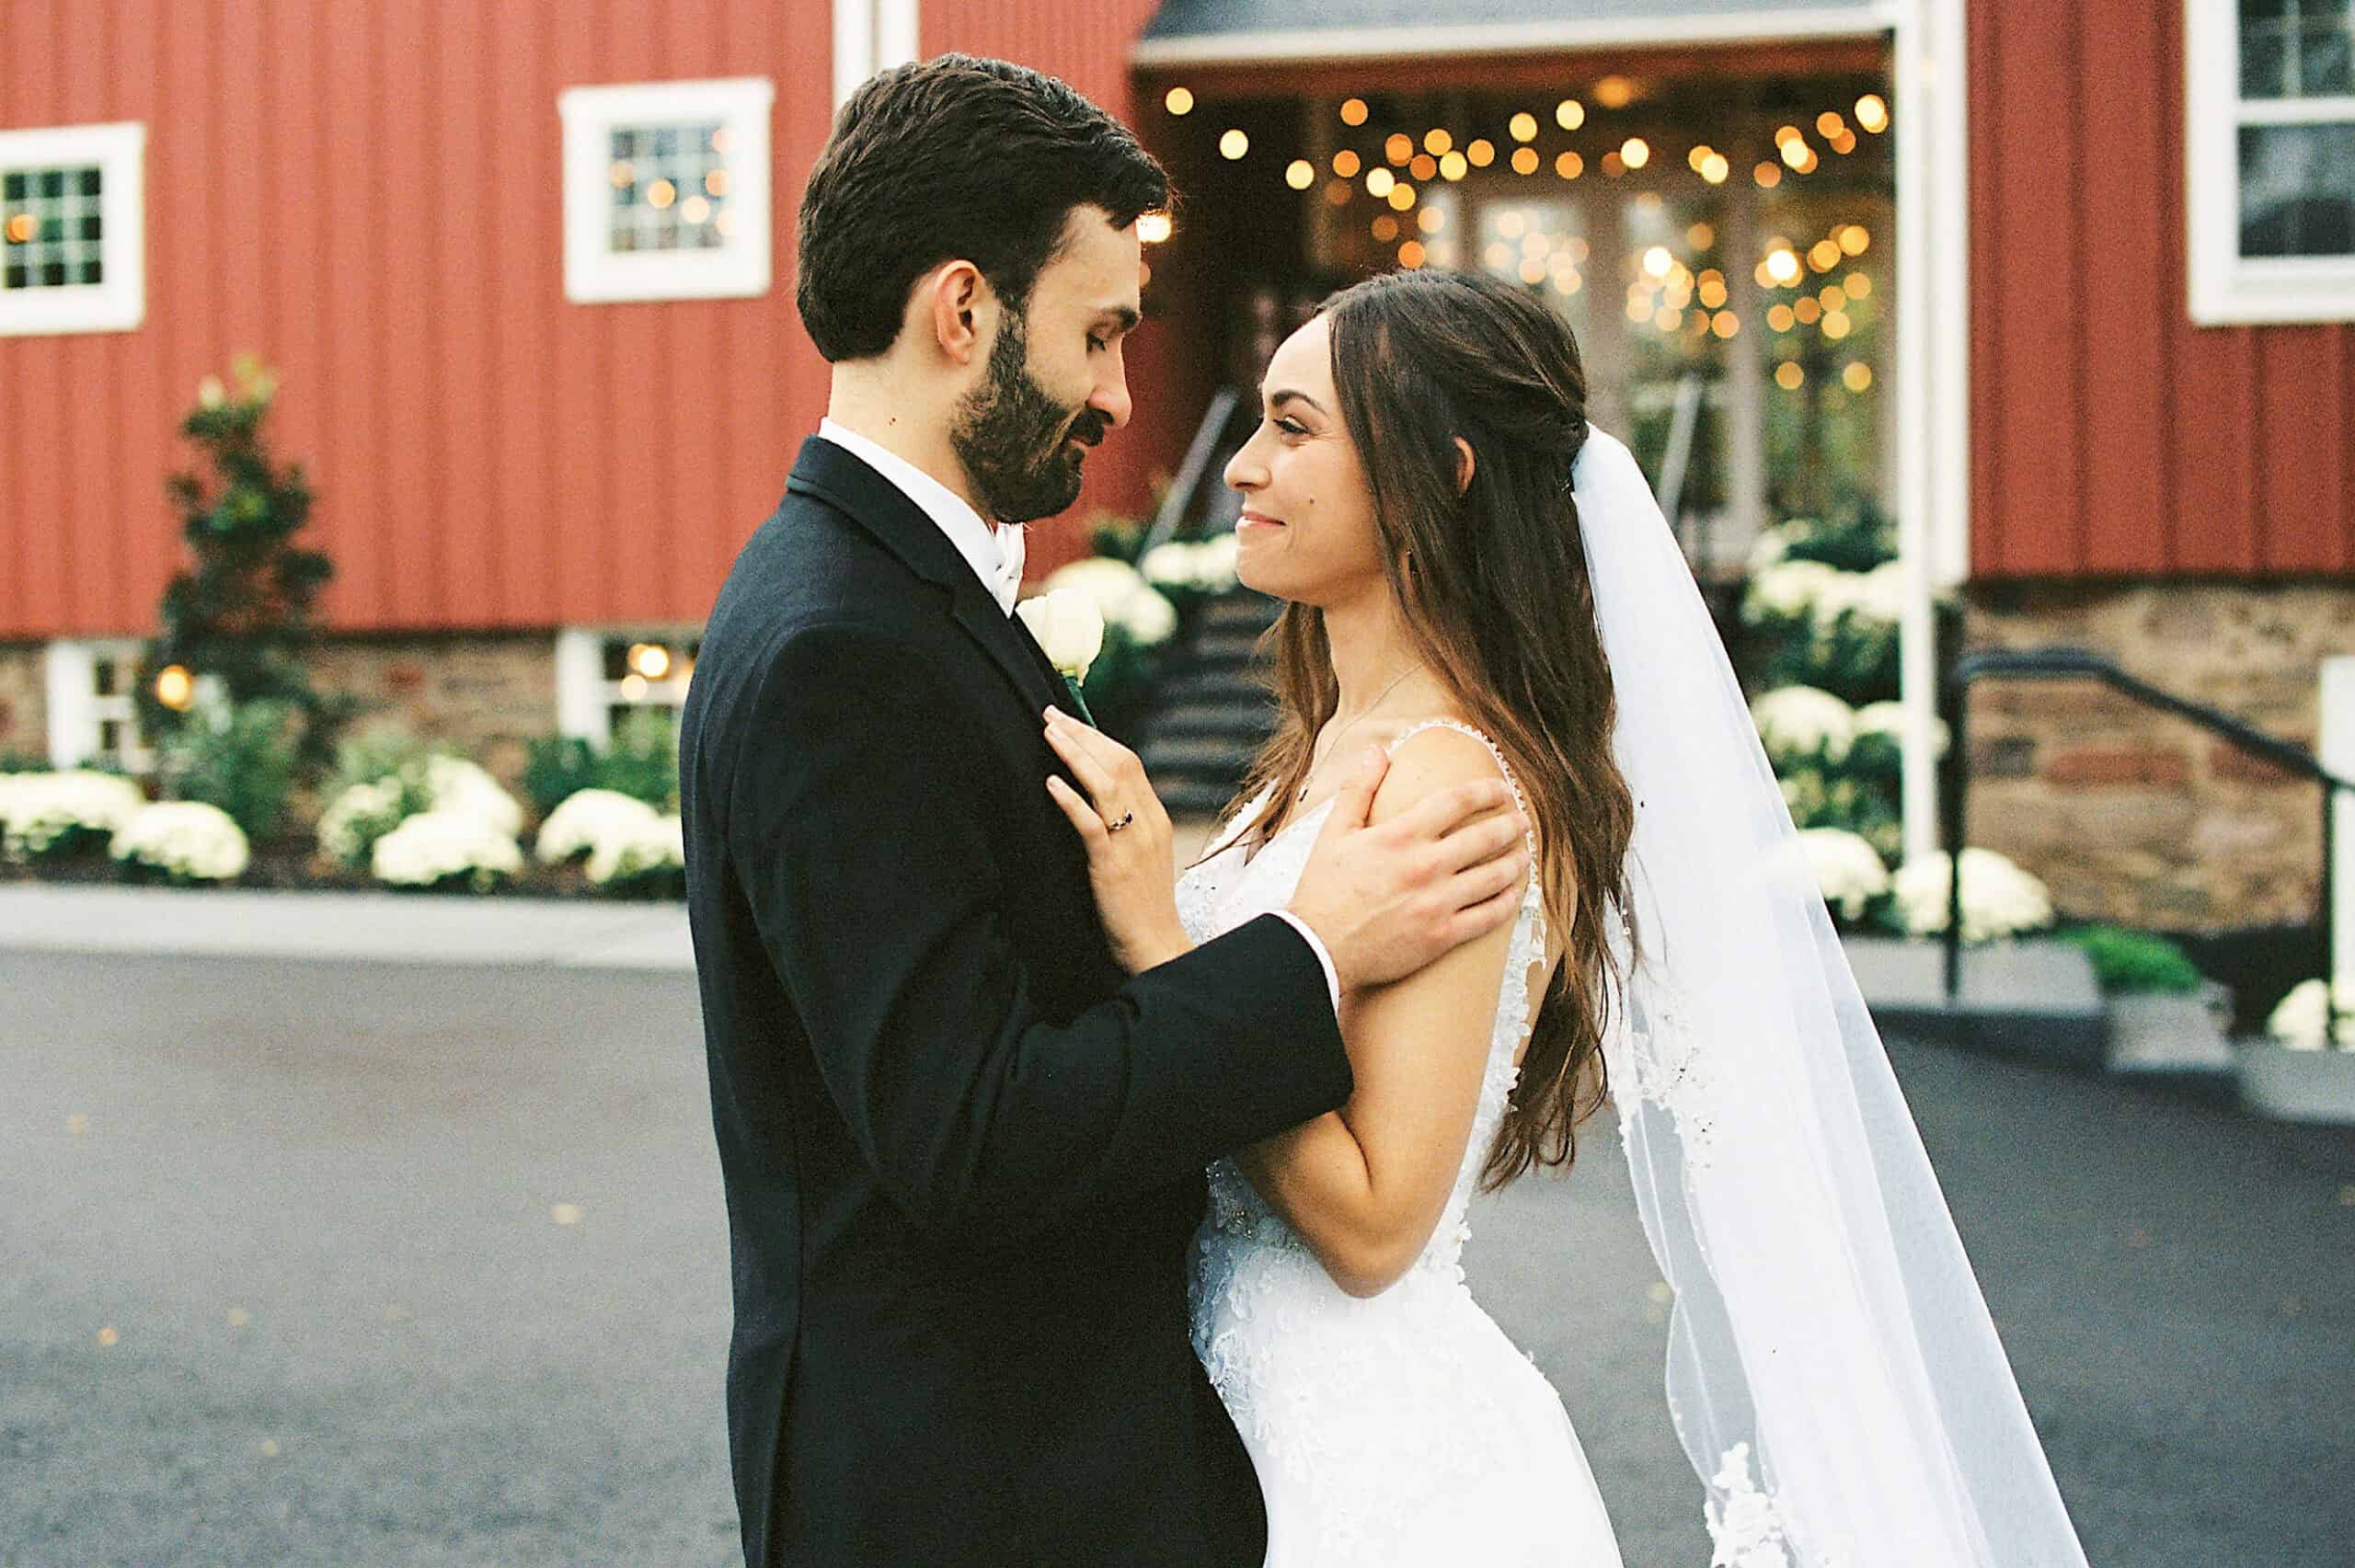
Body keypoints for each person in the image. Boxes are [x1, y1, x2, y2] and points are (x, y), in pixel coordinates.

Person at [1046, 267, 2094, 1566]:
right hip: (1227, 1415)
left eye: (1297, 427)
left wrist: (1162, 945)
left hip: (1363, 1463)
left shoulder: (1452, 783)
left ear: (1446, 471)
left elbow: (1377, 1222)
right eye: (1257, 422)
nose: (1245, 466)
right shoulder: (1318, 746)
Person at [677, 57, 1534, 1568]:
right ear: (964, 313)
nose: (1123, 396)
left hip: (1063, 1464)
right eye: (1096, 334)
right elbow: (973, 1133)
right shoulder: (842, 646)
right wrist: (1309, 945)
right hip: (958, 1493)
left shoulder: (888, 598)